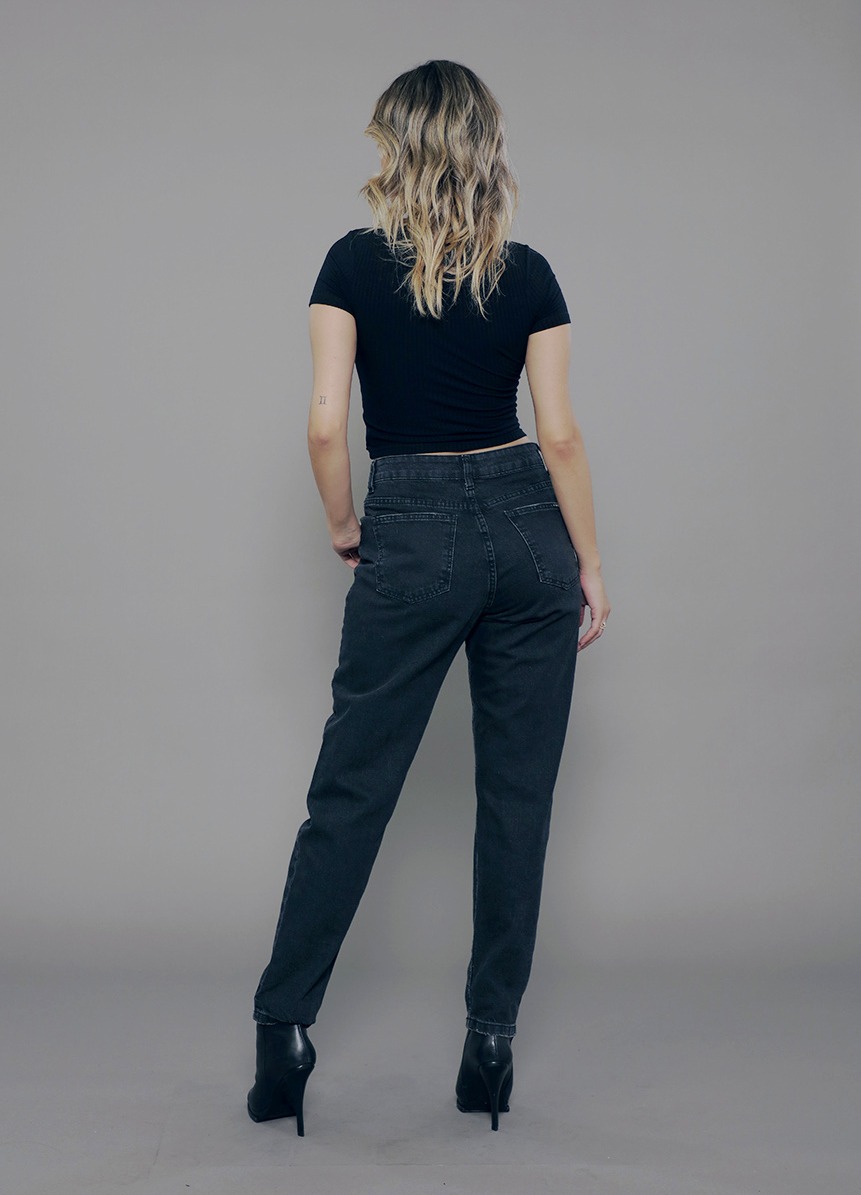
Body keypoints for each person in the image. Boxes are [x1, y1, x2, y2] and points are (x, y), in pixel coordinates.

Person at [247, 58, 611, 1136]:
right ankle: (490, 1046)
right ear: (484, 148)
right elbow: (558, 436)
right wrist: (588, 563)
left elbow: (325, 423)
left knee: (350, 792)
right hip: (527, 525)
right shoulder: (530, 274)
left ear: (394, 145)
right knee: (518, 799)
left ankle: (283, 1033)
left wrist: (344, 523)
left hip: (407, 522)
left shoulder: (348, 264)